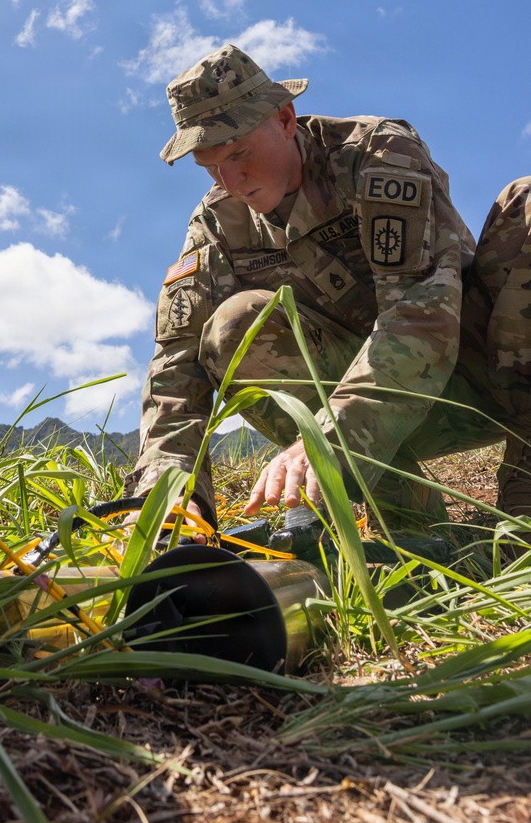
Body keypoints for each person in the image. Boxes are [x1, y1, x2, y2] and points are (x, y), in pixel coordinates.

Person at [132, 44, 531, 535]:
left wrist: (329, 441)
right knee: (233, 326)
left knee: (527, 203)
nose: (231, 182)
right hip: (371, 423)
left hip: (484, 375)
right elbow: (176, 363)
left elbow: (420, 313)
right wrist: (167, 494)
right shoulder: (218, 224)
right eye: (211, 166)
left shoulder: (375, 155)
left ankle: (525, 494)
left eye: (239, 154)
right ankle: (409, 522)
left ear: (284, 117)